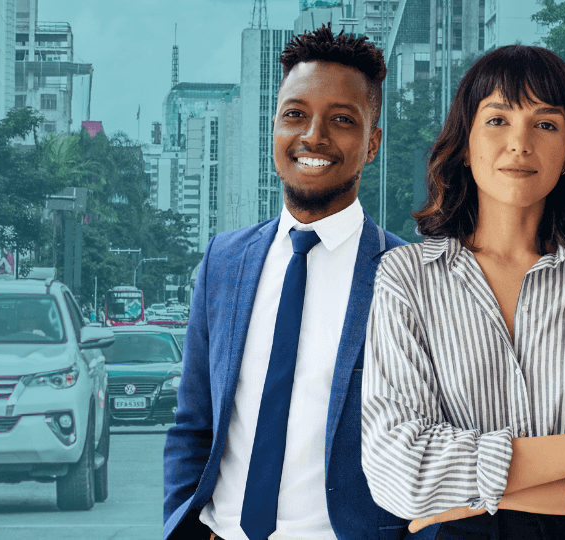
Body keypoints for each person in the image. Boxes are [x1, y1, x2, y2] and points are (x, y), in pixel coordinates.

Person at [361, 45, 565, 539]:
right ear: (465, 145)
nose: (520, 143)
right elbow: (400, 475)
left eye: (546, 124)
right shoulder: (406, 278)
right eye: (497, 120)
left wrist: (462, 500)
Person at [162, 25, 423, 540]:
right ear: (275, 127)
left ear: (372, 144)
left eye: (342, 120)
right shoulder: (223, 262)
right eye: (295, 114)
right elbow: (193, 423)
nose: (313, 136)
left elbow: (436, 440)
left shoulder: (410, 275)